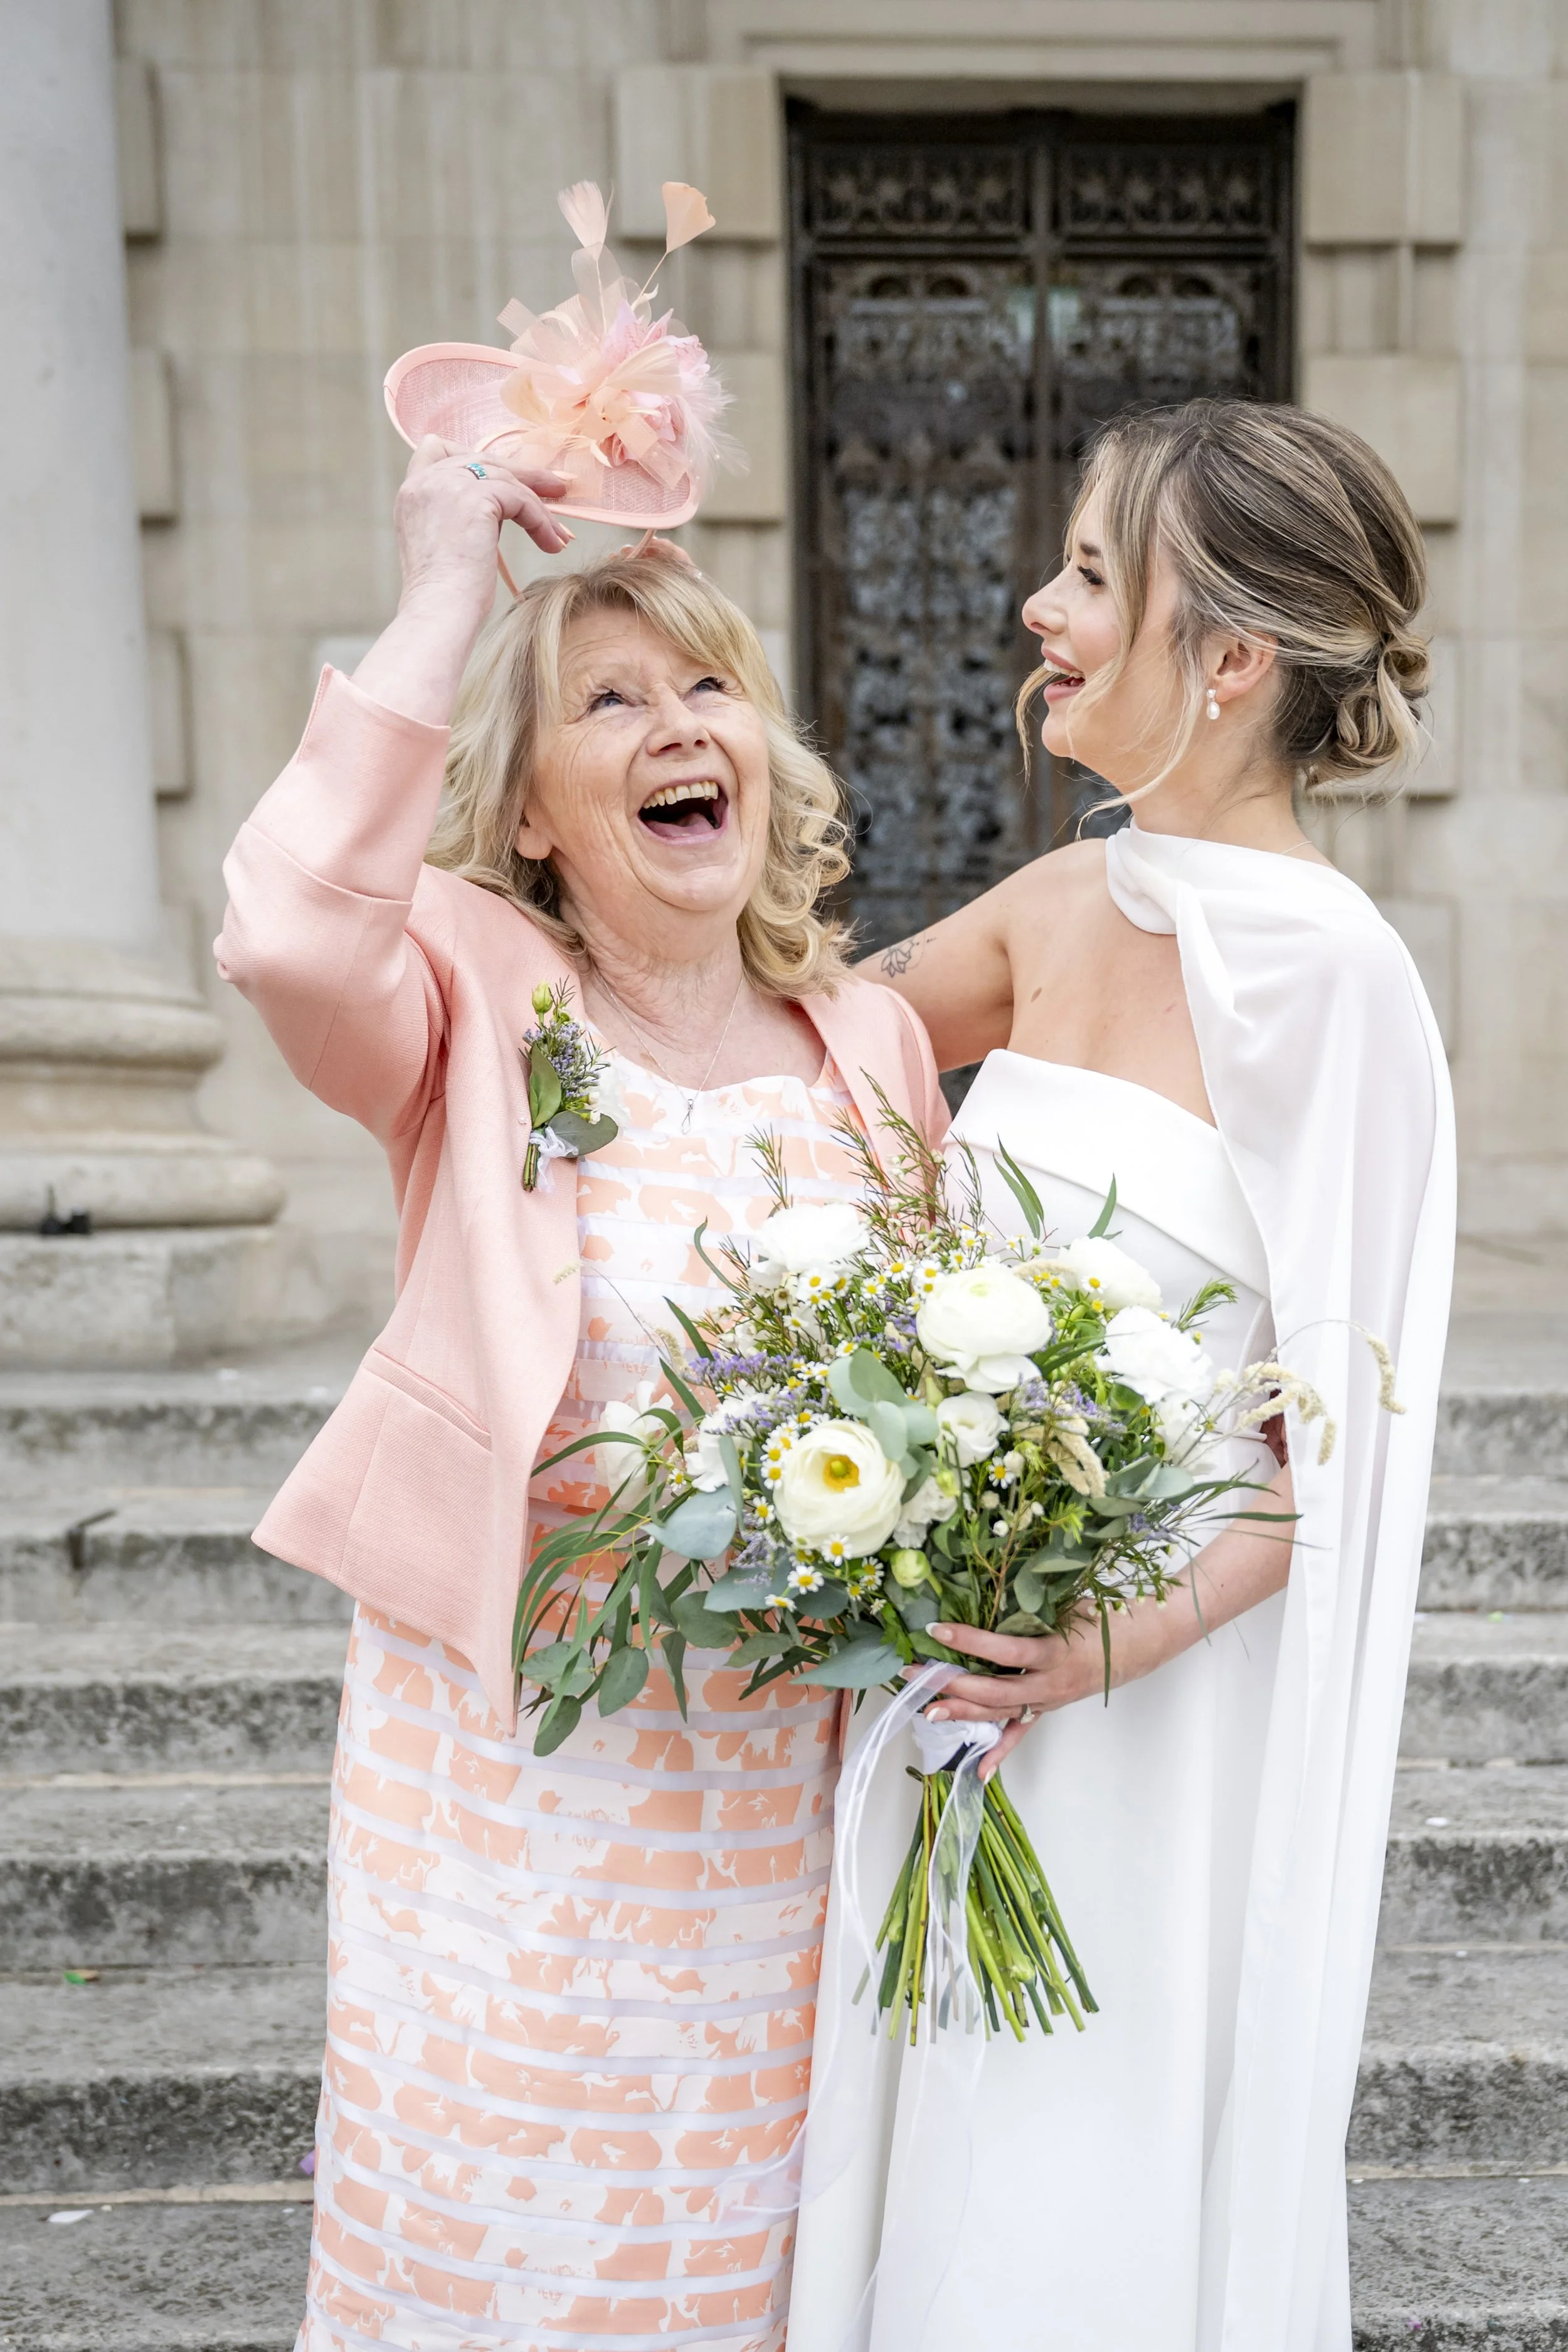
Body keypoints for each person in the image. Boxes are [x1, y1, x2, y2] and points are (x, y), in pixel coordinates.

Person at [215, 437, 946, 2351]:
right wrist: (445, 582)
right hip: (517, 1775)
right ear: (531, 813)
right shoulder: (467, 985)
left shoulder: (868, 1047)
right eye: (605, 703)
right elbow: (289, 930)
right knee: (501, 2234)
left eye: (707, 686)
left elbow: (938, 1380)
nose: (674, 725)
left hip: (778, 1799)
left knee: (741, 2254)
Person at [788, 399, 1455, 2351]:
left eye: (1090, 571)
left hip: (1149, 1720)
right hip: (958, 1690)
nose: (1035, 606)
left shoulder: (1342, 984)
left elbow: (1334, 1432)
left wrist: (1108, 1641)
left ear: (1228, 660)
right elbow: (790, 1065)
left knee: (1087, 2187)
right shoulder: (1058, 904)